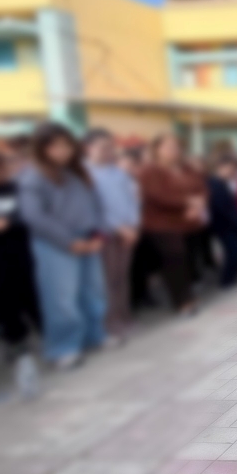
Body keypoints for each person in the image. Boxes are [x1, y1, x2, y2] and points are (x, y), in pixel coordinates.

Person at [19, 123, 107, 368]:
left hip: (89, 238)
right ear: (41, 148)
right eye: (55, 146)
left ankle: (95, 336)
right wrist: (70, 242)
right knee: (61, 299)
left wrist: (99, 234)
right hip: (55, 243)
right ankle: (63, 348)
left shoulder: (77, 173)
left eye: (66, 145)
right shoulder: (33, 176)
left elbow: (95, 205)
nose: (62, 151)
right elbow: (34, 216)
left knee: (93, 292)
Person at [138, 134, 208, 315]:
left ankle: (189, 295)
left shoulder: (187, 168)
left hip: (189, 222)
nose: (174, 150)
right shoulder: (149, 170)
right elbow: (157, 195)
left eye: (176, 146)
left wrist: (199, 203)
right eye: (168, 146)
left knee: (188, 260)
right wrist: (189, 203)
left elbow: (202, 187)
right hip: (162, 224)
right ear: (157, 149)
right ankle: (182, 302)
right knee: (174, 260)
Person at [85, 129, 140, 344]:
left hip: (127, 232)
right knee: (107, 281)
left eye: (110, 147)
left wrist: (133, 227)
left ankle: (124, 317)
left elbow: (132, 201)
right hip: (105, 233)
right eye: (102, 147)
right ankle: (110, 322)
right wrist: (118, 227)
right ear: (88, 148)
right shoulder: (85, 173)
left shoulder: (118, 172)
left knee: (121, 277)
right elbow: (98, 208)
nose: (108, 152)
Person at [0, 145, 41, 397]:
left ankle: (45, 339)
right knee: (6, 304)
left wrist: (10, 222)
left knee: (32, 297)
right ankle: (18, 345)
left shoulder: (17, 189)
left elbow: (28, 215)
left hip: (23, 255)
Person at [207, 157, 237, 287]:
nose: (232, 172)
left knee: (233, 251)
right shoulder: (214, 183)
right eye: (231, 169)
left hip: (227, 224)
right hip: (223, 225)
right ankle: (227, 280)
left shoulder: (220, 182)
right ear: (222, 168)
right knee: (233, 250)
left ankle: (230, 278)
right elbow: (222, 207)